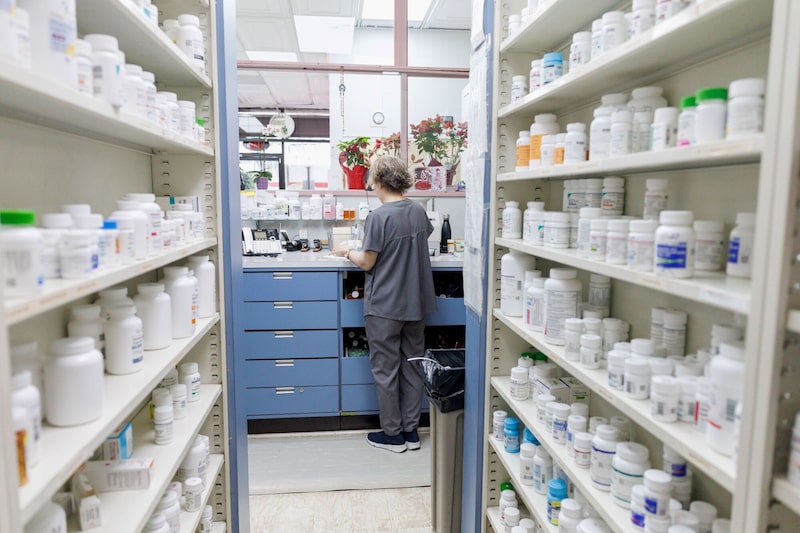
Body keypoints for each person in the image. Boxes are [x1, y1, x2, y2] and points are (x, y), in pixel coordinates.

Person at [331, 155, 437, 453]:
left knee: (385, 369)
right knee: (412, 366)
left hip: (385, 307)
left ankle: (393, 435)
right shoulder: (418, 211)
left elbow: (367, 261)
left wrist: (347, 251)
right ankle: (411, 432)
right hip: (415, 304)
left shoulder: (379, 217)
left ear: (378, 181)